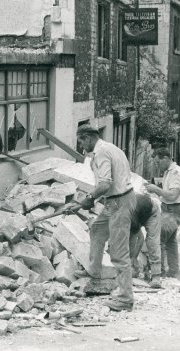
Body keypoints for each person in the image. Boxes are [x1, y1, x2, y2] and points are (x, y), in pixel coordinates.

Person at [76, 124, 137, 312]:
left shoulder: (102, 152)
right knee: (97, 230)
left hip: (120, 202)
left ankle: (126, 298)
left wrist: (89, 199)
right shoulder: (111, 148)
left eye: (81, 142)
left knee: (118, 252)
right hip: (116, 200)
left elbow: (104, 184)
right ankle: (94, 272)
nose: (81, 147)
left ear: (87, 138)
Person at [146, 148, 180, 278]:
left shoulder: (175, 172)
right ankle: (174, 271)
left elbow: (173, 195)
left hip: (173, 210)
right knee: (171, 241)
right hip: (169, 209)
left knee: (159, 239)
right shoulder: (168, 172)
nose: (157, 166)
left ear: (165, 158)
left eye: (158, 162)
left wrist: (156, 190)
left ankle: (160, 272)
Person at [128, 193, 162, 288]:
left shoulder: (130, 215)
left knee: (152, 242)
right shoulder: (118, 214)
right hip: (139, 212)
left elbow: (140, 238)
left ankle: (156, 277)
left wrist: (134, 257)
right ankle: (131, 269)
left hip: (152, 211)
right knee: (128, 238)